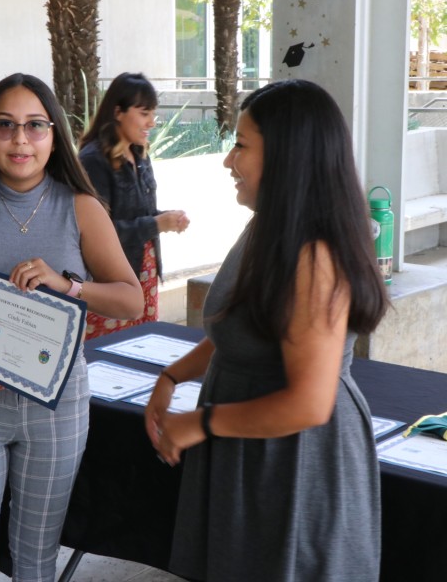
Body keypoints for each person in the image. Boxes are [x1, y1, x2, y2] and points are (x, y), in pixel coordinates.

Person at [145, 79, 389, 582]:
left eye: (240, 145)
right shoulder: (268, 225)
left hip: (294, 460)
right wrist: (172, 377)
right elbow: (240, 333)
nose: (227, 161)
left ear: (287, 157)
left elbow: (308, 404)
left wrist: (200, 422)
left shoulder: (314, 256)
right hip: (248, 443)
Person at [0, 72, 143, 581]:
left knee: (35, 559)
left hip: (57, 409)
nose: (20, 140)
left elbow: (129, 299)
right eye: (6, 125)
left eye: (35, 126)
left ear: (55, 134)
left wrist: (70, 287)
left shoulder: (81, 208)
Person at [78, 72, 190, 339]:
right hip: (112, 281)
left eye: (153, 113)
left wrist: (167, 218)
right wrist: (155, 224)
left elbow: (141, 213)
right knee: (107, 358)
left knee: (142, 346)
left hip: (144, 275)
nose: (151, 122)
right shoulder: (93, 160)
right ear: (118, 112)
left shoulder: (139, 153)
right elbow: (94, 234)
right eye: (144, 113)